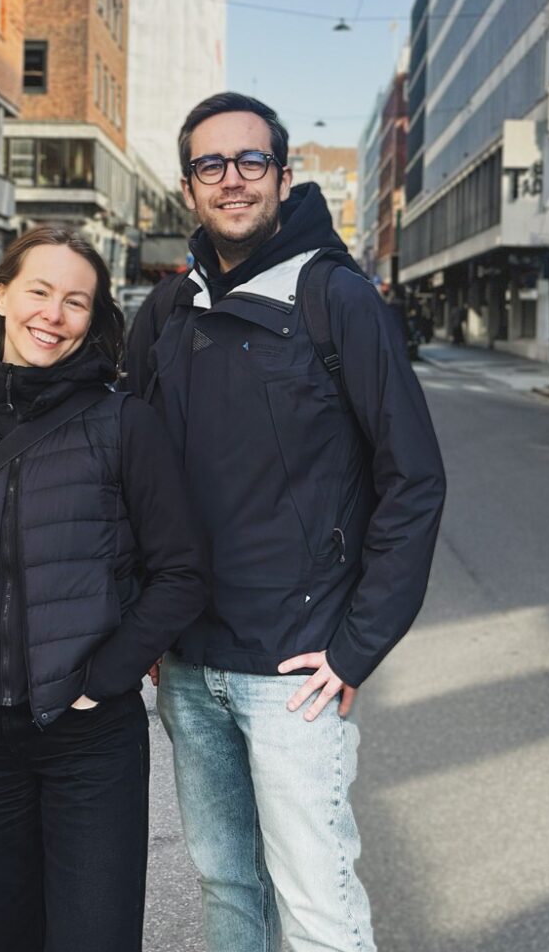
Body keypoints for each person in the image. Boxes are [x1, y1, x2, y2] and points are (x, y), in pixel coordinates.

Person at [125, 93, 446, 952]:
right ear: (188, 184)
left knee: (316, 906)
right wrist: (142, 623)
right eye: (210, 165)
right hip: (189, 667)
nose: (231, 181)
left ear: (283, 175)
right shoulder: (164, 314)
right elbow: (124, 480)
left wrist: (356, 645)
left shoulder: (336, 298)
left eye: (250, 162)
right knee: (230, 889)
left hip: (295, 673)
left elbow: (413, 480)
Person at [0, 226, 208, 952]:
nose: (52, 315)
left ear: (93, 321)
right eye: (38, 291)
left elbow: (181, 570)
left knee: (92, 935)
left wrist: (107, 676)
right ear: (2, 294)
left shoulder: (124, 424)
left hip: (89, 740)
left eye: (75, 302)